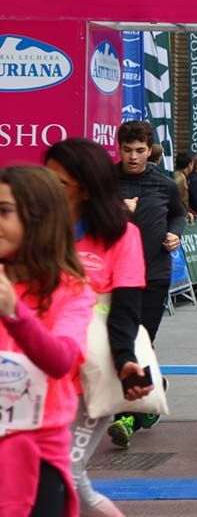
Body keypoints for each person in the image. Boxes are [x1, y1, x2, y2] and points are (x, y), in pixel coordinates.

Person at [45, 139, 152, 517]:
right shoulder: (35, 230)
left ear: (86, 187)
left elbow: (125, 310)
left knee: (68, 475)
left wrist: (124, 361)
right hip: (37, 373)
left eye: (59, 183)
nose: (47, 190)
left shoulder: (122, 235)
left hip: (95, 371)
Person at [0, 166, 95, 516]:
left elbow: (61, 359)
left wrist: (14, 313)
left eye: (5, 211)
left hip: (36, 458)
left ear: (39, 218)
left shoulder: (70, 291)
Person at [110, 120, 184, 449]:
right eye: (127, 151)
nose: (133, 157)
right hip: (115, 276)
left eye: (140, 151)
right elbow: (88, 220)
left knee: (142, 340)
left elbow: (179, 214)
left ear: (149, 150)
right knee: (122, 343)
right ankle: (153, 388)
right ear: (119, 149)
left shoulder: (163, 184)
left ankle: (127, 416)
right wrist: (116, 211)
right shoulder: (106, 183)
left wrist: (175, 234)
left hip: (154, 274)